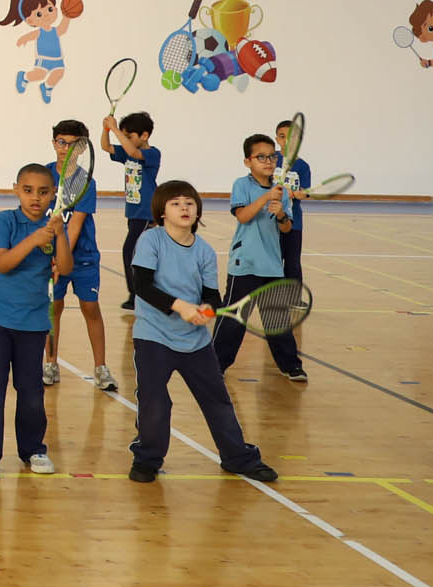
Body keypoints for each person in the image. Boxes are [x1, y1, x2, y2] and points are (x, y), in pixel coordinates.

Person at [127, 180, 278, 483]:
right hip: (153, 336)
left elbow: (212, 296)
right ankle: (147, 460)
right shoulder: (151, 240)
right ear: (162, 212)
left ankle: (238, 457)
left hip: (195, 342)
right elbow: (141, 286)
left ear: (197, 211)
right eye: (175, 203)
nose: (184, 208)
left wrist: (207, 309)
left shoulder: (205, 251)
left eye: (189, 203)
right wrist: (181, 307)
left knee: (217, 400)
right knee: (155, 402)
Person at [0, 162, 62, 479]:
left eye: (43, 192)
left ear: (53, 194)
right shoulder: (4, 221)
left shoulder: (53, 227)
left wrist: (61, 236)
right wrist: (34, 240)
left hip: (33, 322)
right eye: (28, 190)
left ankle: (33, 449)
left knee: (31, 390)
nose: (35, 197)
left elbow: (65, 267)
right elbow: (2, 263)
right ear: (16, 190)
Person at [217, 133, 304, 381]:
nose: (268, 161)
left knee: (277, 319)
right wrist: (266, 198)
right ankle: (216, 364)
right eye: (261, 157)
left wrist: (281, 214)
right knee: (234, 319)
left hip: (272, 265)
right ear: (248, 161)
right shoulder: (242, 185)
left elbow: (286, 228)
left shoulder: (282, 192)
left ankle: (291, 365)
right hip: (244, 263)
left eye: (272, 157)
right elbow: (243, 216)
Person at [43, 120, 117, 392]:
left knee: (90, 307)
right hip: (49, 257)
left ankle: (100, 368)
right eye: (61, 142)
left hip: (82, 257)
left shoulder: (86, 182)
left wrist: (61, 259)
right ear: (54, 143)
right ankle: (50, 363)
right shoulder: (43, 176)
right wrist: (47, 256)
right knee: (53, 308)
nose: (66, 149)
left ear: (83, 148)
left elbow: (75, 225)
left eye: (73, 145)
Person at [102, 110, 162, 310]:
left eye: (130, 136)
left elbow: (134, 153)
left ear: (144, 135)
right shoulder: (127, 152)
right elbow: (106, 146)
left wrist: (115, 129)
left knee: (129, 250)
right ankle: (142, 292)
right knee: (138, 252)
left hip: (146, 212)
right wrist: (106, 130)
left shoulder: (152, 154)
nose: (126, 140)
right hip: (134, 212)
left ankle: (136, 294)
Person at [275, 116, 313, 282]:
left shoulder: (302, 166)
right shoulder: (271, 160)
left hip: (294, 222)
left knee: (292, 264)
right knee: (273, 262)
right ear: (277, 139)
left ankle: (293, 294)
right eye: (282, 136)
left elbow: (304, 192)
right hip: (271, 221)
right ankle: (272, 294)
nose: (286, 141)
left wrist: (293, 193)